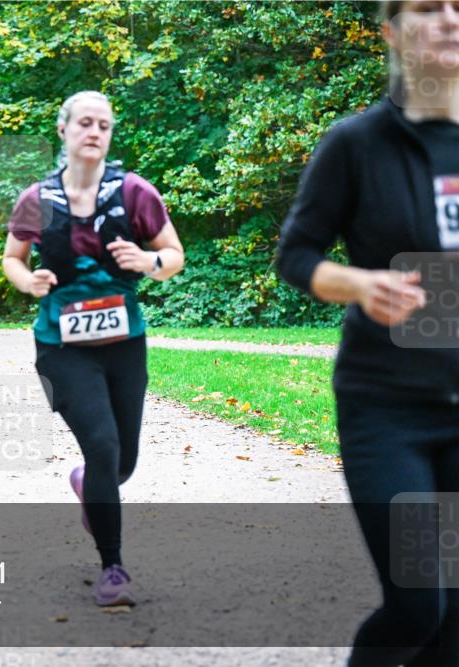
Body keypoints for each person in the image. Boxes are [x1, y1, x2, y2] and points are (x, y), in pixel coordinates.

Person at [277, 2, 458, 664]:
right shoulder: (357, 143)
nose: (447, 19)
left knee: (455, 619)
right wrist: (359, 284)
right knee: (418, 602)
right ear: (390, 30)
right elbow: (295, 254)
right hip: (388, 407)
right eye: (426, 8)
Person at [2, 91, 184, 606]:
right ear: (63, 130)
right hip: (62, 346)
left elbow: (174, 255)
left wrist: (147, 263)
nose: (95, 132)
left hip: (125, 342)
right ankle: (114, 569)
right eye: (85, 122)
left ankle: (90, 482)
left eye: (103, 125)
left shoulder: (135, 193)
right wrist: (28, 280)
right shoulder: (38, 199)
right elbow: (11, 259)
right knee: (103, 445)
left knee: (121, 463)